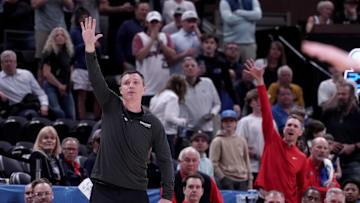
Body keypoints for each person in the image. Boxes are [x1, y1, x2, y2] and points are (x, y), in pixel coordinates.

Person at [81, 17, 174, 203]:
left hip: (135, 192)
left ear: (143, 89)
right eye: (126, 83)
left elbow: (165, 159)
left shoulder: (153, 123)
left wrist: (167, 196)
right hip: (103, 190)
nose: (131, 85)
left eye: (135, 82)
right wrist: (90, 49)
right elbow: (95, 78)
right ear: (120, 89)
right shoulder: (110, 104)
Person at [245, 59, 307, 203]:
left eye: (295, 126)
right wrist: (260, 81)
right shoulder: (272, 140)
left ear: (301, 132)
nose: (291, 127)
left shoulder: (302, 158)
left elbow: (301, 187)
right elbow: (266, 112)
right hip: (266, 199)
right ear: (283, 129)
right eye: (288, 125)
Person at [132, 10, 175, 106]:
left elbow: (172, 55)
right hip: (146, 88)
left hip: (164, 88)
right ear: (147, 23)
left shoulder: (165, 37)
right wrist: (152, 39)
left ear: (161, 24)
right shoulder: (139, 37)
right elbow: (139, 56)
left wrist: (159, 41)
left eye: (157, 22)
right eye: (152, 22)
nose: (154, 25)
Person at [321, 81, 360, 182]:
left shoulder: (358, 114)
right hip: (331, 160)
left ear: (351, 96)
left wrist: (353, 146)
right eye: (338, 94)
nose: (340, 97)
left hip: (354, 161)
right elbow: (318, 133)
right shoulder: (329, 113)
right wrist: (329, 144)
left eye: (343, 94)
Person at [236, 89, 277, 180]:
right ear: (250, 103)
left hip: (268, 167)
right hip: (251, 167)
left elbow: (276, 144)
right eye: (255, 100)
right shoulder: (244, 122)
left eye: (261, 99)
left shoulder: (272, 122)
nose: (259, 102)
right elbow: (239, 145)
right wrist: (255, 155)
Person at [197, 34, 240, 114]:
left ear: (216, 46)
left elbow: (228, 84)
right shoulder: (196, 61)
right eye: (206, 42)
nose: (209, 45)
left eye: (212, 43)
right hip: (199, 99)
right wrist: (196, 74)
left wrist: (236, 103)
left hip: (215, 99)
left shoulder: (221, 62)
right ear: (202, 45)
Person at [209, 109, 252, 190]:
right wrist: (222, 177)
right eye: (226, 121)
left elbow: (247, 161)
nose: (229, 123)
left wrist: (250, 180)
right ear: (222, 124)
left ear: (236, 123)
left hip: (243, 178)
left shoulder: (242, 140)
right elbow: (214, 163)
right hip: (227, 178)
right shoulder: (218, 141)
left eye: (231, 121)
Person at [70, 7, 101, 120]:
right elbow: (72, 51)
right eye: (81, 18)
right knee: (81, 96)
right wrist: (86, 43)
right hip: (80, 67)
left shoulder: (95, 33)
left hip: (94, 67)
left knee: (97, 95)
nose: (84, 20)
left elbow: (100, 54)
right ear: (77, 19)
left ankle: (96, 119)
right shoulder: (74, 33)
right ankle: (82, 120)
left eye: (86, 17)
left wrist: (97, 46)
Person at [0, 50, 49, 118]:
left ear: (16, 63)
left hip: (28, 106)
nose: (9, 63)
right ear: (1, 64)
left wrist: (44, 105)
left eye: (11, 61)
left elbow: (41, 94)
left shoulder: (26, 74)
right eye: (6, 61)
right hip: (11, 109)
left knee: (32, 114)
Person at [180, 57, 221, 139]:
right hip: (188, 129)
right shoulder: (179, 86)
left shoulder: (208, 82)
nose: (190, 68)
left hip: (207, 128)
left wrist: (212, 114)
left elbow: (217, 104)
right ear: (182, 70)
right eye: (187, 66)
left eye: (193, 65)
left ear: (198, 69)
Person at [149, 74, 188, 159]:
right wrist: (183, 122)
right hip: (166, 135)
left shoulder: (157, 96)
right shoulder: (172, 97)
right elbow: (169, 117)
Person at [41, 27, 76, 120]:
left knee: (71, 115)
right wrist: (59, 85)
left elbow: (71, 70)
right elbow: (46, 73)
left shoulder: (69, 53)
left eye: (62, 35)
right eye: (57, 35)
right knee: (58, 112)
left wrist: (67, 85)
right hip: (51, 84)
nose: (60, 37)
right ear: (53, 38)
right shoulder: (48, 53)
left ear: (66, 38)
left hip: (65, 85)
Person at [116, 1, 149, 70]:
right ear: (135, 10)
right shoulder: (126, 25)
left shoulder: (150, 27)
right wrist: (123, 62)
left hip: (147, 63)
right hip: (130, 63)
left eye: (146, 10)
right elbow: (118, 44)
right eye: (142, 10)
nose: (144, 12)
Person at [170, 10, 201, 75]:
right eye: (189, 21)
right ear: (182, 22)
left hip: (196, 76)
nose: (192, 24)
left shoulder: (199, 37)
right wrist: (184, 54)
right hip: (179, 75)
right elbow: (169, 60)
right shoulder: (174, 38)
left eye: (194, 21)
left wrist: (198, 33)